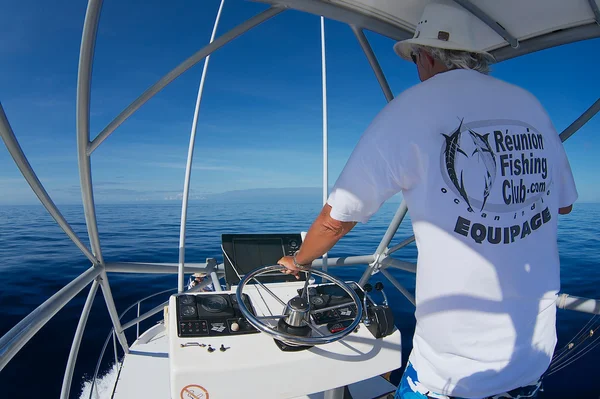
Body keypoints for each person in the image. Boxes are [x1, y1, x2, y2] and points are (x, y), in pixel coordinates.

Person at [278, 1, 577, 398]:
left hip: (450, 373)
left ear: (426, 57)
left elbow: (337, 218)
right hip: (531, 361)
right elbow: (564, 204)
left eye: (416, 58)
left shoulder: (410, 109)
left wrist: (299, 260)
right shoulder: (530, 105)